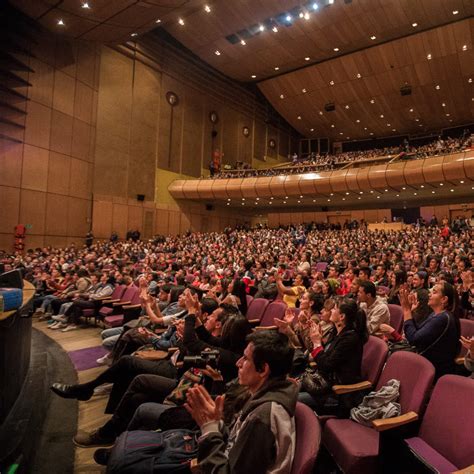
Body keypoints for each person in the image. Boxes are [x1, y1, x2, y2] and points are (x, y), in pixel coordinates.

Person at [185, 330, 297, 474]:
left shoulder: (262, 417)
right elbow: (237, 440)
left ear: (263, 369)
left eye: (245, 358)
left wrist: (209, 430)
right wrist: (216, 423)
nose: (238, 363)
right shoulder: (266, 395)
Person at [298, 298, 368, 415]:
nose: (331, 311)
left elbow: (326, 365)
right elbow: (321, 358)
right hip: (323, 383)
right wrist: (314, 337)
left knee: (291, 400)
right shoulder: (336, 332)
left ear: (342, 317)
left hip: (337, 393)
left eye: (335, 308)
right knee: (286, 389)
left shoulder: (350, 339)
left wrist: (317, 343)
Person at [400, 282, 461, 379]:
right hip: (426, 362)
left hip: (435, 371)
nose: (429, 294)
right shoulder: (435, 314)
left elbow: (414, 339)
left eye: (434, 292)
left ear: (444, 299)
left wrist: (406, 310)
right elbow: (418, 332)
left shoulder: (442, 318)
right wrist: (411, 312)